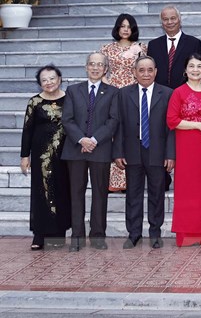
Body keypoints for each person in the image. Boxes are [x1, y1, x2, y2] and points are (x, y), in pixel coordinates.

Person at [113, 56, 175, 249]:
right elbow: (118, 124)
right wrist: (118, 152)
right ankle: (134, 233)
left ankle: (155, 233)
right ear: (134, 72)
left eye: (150, 70)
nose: (146, 74)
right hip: (132, 150)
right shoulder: (123, 94)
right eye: (141, 70)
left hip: (157, 151)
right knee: (133, 194)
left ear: (156, 71)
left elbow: (171, 127)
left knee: (157, 193)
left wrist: (170, 154)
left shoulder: (167, 93)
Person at [61, 52, 119, 251]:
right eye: (92, 64)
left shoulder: (113, 92)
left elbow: (113, 120)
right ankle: (76, 237)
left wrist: (94, 140)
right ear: (86, 67)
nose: (95, 68)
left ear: (105, 69)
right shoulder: (72, 90)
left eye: (100, 65)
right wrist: (82, 139)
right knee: (76, 194)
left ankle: (97, 236)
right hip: (75, 149)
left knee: (100, 194)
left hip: (100, 149)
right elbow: (67, 119)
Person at [167, 53, 201, 246]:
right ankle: (186, 234)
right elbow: (172, 120)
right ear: (185, 70)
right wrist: (197, 125)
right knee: (187, 189)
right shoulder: (179, 92)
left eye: (199, 66)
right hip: (186, 146)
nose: (195, 70)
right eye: (192, 66)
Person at [21, 65, 71, 250]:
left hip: (64, 155)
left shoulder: (69, 99)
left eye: (52, 78)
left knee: (62, 191)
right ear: (40, 83)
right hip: (41, 155)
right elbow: (27, 130)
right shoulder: (34, 102)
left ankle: (58, 234)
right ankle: (39, 235)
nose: (49, 82)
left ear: (59, 79)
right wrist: (24, 156)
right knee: (42, 192)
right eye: (44, 80)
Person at [100, 13, 147, 193]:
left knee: (130, 133)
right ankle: (113, 180)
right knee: (112, 134)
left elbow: (143, 72)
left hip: (133, 94)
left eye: (129, 26)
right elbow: (103, 73)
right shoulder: (106, 49)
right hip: (112, 93)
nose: (125, 29)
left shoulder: (141, 47)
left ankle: (129, 181)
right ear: (117, 28)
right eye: (122, 26)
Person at [148, 6, 201, 89]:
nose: (169, 22)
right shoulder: (153, 45)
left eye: (173, 18)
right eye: (165, 19)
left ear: (179, 20)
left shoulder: (193, 43)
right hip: (160, 94)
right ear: (162, 23)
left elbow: (198, 70)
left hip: (185, 92)